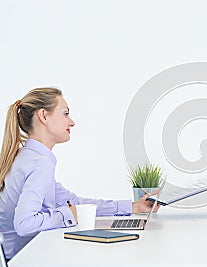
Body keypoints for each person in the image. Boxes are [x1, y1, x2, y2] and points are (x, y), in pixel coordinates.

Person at [0, 88, 159, 260]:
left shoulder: (28, 157)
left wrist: (133, 207)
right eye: (65, 114)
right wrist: (69, 214)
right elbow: (25, 224)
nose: (72, 122)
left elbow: (75, 203)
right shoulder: (39, 163)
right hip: (22, 260)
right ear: (44, 116)